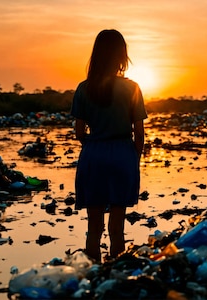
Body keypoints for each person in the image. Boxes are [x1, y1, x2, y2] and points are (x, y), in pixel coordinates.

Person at [70, 29, 148, 262]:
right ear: (121, 57)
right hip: (123, 154)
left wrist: (94, 145)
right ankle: (114, 272)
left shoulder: (84, 88)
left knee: (94, 227)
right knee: (117, 227)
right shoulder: (132, 88)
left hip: (94, 154)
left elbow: (79, 132)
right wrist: (134, 157)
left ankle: (93, 272)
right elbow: (140, 134)